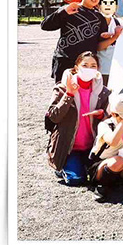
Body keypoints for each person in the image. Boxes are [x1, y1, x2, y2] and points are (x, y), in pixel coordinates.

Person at [46, 52, 110, 186]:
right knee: (76, 180)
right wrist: (69, 94)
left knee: (103, 176)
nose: (89, 69)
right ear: (76, 68)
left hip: (93, 146)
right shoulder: (62, 88)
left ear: (97, 69)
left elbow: (110, 118)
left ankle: (83, 165)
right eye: (85, 65)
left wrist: (101, 115)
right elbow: (54, 116)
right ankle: (63, 167)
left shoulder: (103, 92)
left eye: (93, 66)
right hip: (69, 147)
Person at [41, 0, 112, 82]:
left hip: (86, 64)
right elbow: (45, 26)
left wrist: (106, 37)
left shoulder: (99, 17)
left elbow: (100, 43)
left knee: (85, 91)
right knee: (62, 90)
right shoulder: (70, 9)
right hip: (65, 60)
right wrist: (63, 12)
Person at [97, 0, 123, 85]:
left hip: (117, 70)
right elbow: (98, 47)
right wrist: (114, 36)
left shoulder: (120, 23)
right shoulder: (94, 23)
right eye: (105, 3)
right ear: (99, 6)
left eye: (111, 3)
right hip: (100, 70)